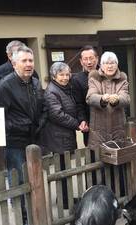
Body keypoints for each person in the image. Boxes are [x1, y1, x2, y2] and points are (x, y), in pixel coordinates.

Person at [0, 46, 43, 225]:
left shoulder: (35, 82)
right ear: (14, 64)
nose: (29, 64)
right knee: (18, 180)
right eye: (24, 61)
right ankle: (24, 219)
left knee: (33, 178)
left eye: (31, 60)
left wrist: (39, 124)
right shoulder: (4, 86)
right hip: (15, 142)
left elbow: (41, 108)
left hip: (33, 140)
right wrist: (17, 126)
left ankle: (35, 213)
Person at [39, 62, 88, 208]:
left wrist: (82, 120)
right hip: (58, 137)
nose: (65, 77)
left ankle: (65, 198)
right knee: (62, 169)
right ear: (54, 76)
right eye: (61, 75)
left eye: (67, 74)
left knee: (66, 168)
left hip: (66, 135)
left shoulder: (68, 88)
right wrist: (77, 124)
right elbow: (57, 115)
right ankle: (63, 200)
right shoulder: (52, 91)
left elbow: (77, 106)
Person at [86, 51, 130, 195]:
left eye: (113, 63)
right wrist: (102, 99)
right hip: (99, 130)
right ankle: (99, 196)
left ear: (117, 65)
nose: (110, 66)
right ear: (102, 65)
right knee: (99, 165)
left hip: (117, 129)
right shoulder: (94, 77)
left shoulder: (122, 79)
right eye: (107, 63)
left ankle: (120, 196)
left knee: (118, 165)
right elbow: (90, 97)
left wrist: (117, 99)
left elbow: (126, 98)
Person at [71, 45, 99, 146]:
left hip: (108, 124)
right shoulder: (77, 79)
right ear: (81, 61)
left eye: (91, 58)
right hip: (91, 125)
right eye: (85, 59)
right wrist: (83, 120)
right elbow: (79, 104)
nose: (89, 62)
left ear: (97, 58)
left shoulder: (106, 74)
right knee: (93, 156)